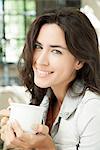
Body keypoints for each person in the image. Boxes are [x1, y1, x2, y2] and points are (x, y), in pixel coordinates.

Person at [0, 7, 100, 150]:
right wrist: (12, 143)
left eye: (56, 51)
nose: (40, 61)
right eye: (38, 46)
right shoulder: (43, 100)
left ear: (79, 61)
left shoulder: (93, 109)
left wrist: (47, 148)